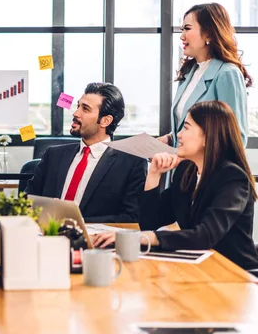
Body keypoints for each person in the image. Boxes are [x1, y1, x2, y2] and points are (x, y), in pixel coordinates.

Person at [95, 101, 258, 272]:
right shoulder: (186, 171)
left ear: (208, 136)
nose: (179, 135)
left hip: (235, 273)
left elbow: (205, 235)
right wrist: (154, 175)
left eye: (186, 128)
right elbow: (150, 223)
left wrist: (138, 238)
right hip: (201, 268)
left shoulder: (232, 177)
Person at [25, 83, 147, 223]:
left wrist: (76, 222)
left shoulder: (131, 163)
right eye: (78, 106)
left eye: (85, 109)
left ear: (105, 121)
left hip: (95, 241)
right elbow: (28, 201)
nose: (76, 113)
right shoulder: (53, 155)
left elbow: (131, 217)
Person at [158, 3, 251, 147]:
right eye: (182, 29)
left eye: (187, 29)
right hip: (180, 167)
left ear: (209, 33)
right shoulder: (189, 72)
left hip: (206, 169)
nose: (182, 36)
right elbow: (188, 126)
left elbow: (236, 138)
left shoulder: (227, 74)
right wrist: (170, 139)